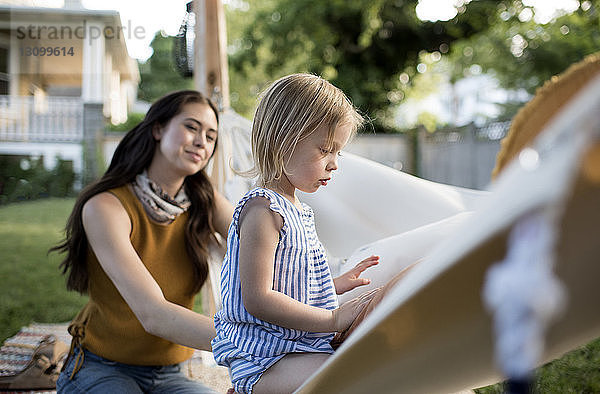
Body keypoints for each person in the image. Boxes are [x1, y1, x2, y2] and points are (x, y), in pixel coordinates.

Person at [51, 90, 234, 393]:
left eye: (211, 136)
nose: (202, 141)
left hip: (170, 373)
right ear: (158, 128)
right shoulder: (106, 206)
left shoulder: (205, 202)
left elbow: (262, 250)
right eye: (191, 127)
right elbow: (154, 314)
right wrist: (256, 343)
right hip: (100, 367)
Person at [211, 73, 382, 394]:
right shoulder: (263, 210)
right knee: (349, 375)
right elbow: (258, 298)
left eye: (338, 153)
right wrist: (333, 319)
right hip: (263, 358)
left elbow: (288, 284)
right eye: (325, 150)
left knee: (367, 361)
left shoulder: (298, 209)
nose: (334, 164)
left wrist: (333, 285)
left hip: (292, 347)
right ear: (283, 141)